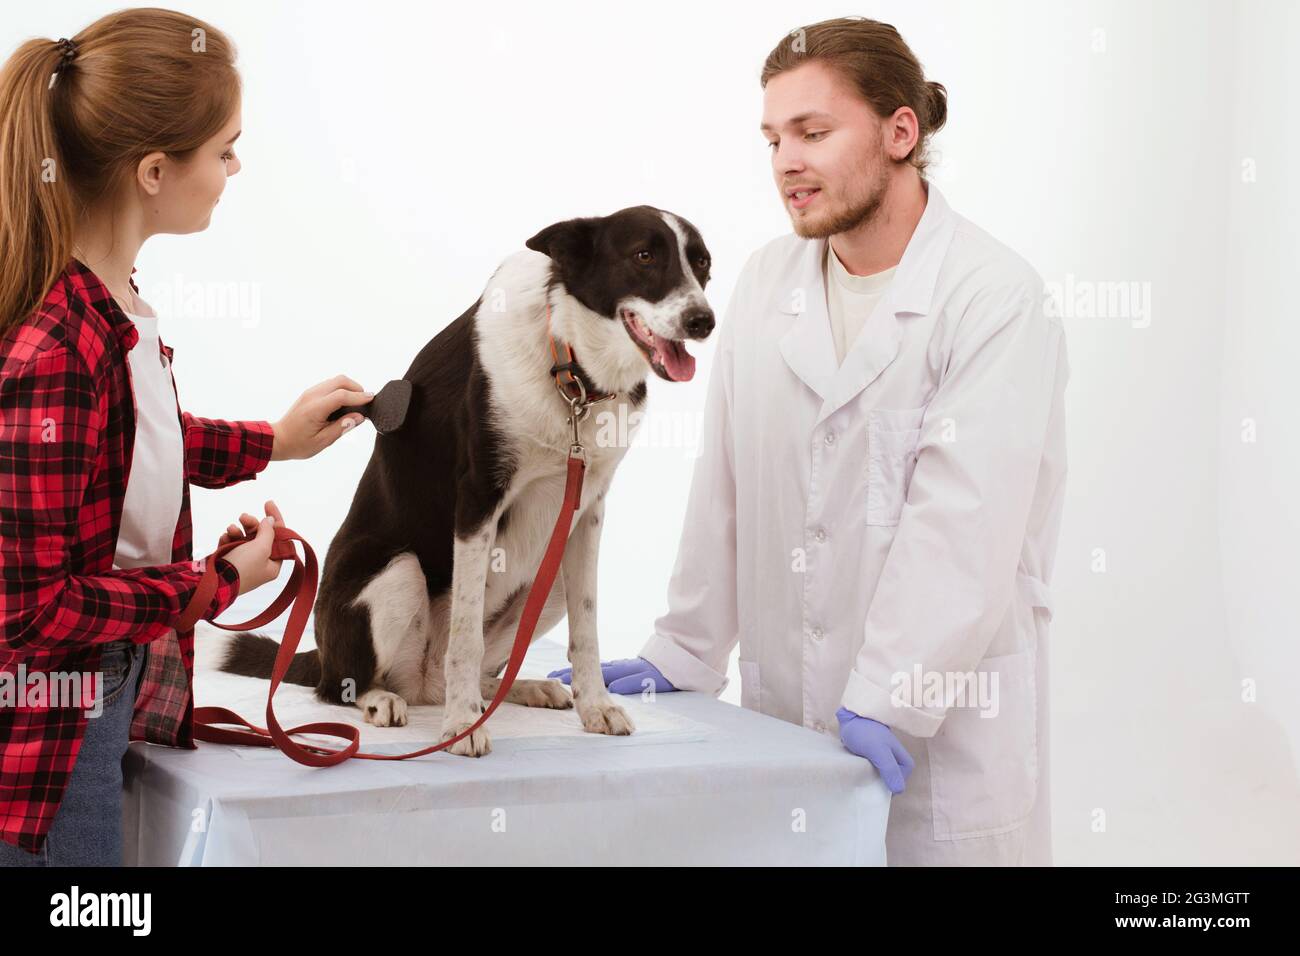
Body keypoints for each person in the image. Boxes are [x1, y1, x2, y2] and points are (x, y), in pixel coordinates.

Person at [552, 17, 1068, 866]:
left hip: (941, 744)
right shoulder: (762, 284)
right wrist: (686, 647)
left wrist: (890, 695)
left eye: (814, 133)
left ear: (901, 131)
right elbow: (726, 482)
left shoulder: (992, 298)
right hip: (782, 733)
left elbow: (965, 531)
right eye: (773, 138)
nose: (786, 161)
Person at [0, 8, 372, 865]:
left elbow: (131, 441)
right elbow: (33, 611)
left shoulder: (111, 304)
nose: (236, 166)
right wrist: (206, 585)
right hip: (53, 740)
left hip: (104, 700)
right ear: (156, 171)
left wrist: (273, 442)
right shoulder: (61, 344)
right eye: (224, 148)